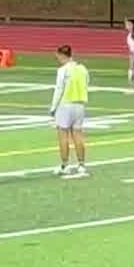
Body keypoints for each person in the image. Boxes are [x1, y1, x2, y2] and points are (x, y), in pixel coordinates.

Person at [51, 44, 90, 179]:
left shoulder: (62, 70)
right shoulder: (82, 68)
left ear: (62, 55)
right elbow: (86, 83)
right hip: (80, 104)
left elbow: (59, 89)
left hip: (65, 104)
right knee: (78, 134)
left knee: (63, 135)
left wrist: (53, 107)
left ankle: (65, 165)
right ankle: (81, 165)